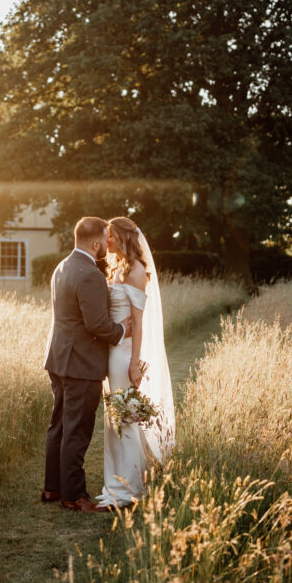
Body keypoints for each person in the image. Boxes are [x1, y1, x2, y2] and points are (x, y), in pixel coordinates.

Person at [42, 217, 132, 513]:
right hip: (80, 363)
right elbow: (98, 325)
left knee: (59, 427)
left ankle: (53, 488)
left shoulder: (62, 266)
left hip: (58, 358)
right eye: (105, 240)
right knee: (77, 430)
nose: (107, 245)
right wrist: (122, 330)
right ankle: (74, 496)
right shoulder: (90, 274)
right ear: (95, 243)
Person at [95, 216, 175, 511]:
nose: (107, 241)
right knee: (114, 418)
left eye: (111, 236)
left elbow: (139, 325)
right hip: (112, 350)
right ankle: (116, 484)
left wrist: (134, 363)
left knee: (124, 419)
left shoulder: (137, 271)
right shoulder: (117, 267)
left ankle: (128, 490)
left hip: (124, 354)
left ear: (123, 238)